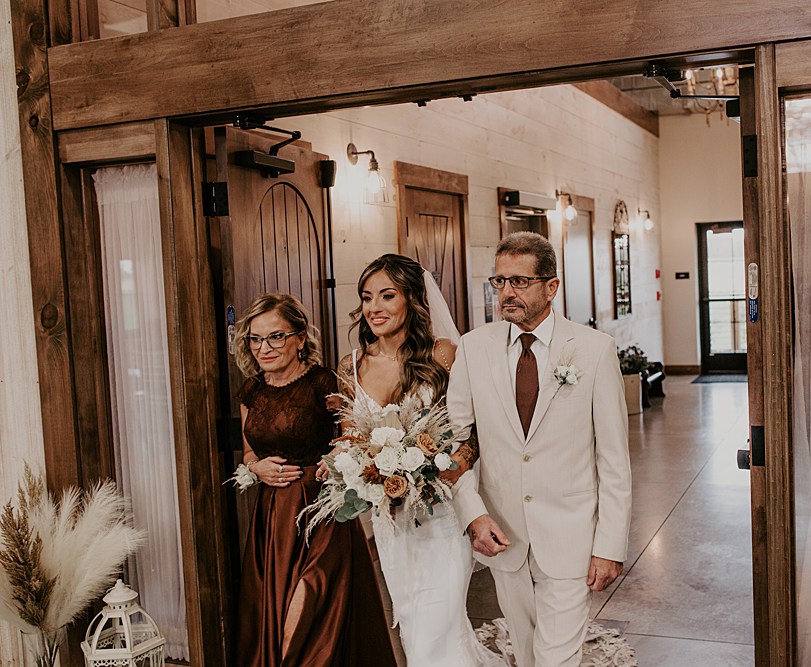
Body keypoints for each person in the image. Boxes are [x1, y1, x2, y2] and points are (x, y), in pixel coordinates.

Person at [448, 232, 632, 667]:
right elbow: (455, 446)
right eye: (500, 281)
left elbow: (614, 460)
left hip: (570, 534)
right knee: (527, 653)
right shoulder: (474, 348)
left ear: (551, 286)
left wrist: (610, 544)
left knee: (556, 659)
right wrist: (473, 514)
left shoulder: (593, 349)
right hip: (503, 536)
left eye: (520, 282)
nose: (507, 293)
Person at [328, 253, 505, 667]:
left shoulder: (444, 355)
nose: (374, 308)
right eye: (367, 297)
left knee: (434, 629)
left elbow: (472, 434)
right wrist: (352, 466)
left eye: (387, 296)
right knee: (410, 620)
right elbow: (351, 439)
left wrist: (446, 468)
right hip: (393, 524)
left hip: (442, 516)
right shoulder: (350, 366)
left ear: (411, 299)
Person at [233, 292, 396, 667]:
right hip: (273, 520)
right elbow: (249, 453)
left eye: (276, 336)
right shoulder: (251, 391)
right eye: (255, 339)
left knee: (307, 606)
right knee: (274, 613)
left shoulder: (326, 383)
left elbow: (355, 437)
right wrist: (256, 468)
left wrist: (337, 457)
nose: (264, 348)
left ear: (301, 338)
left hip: (323, 512)